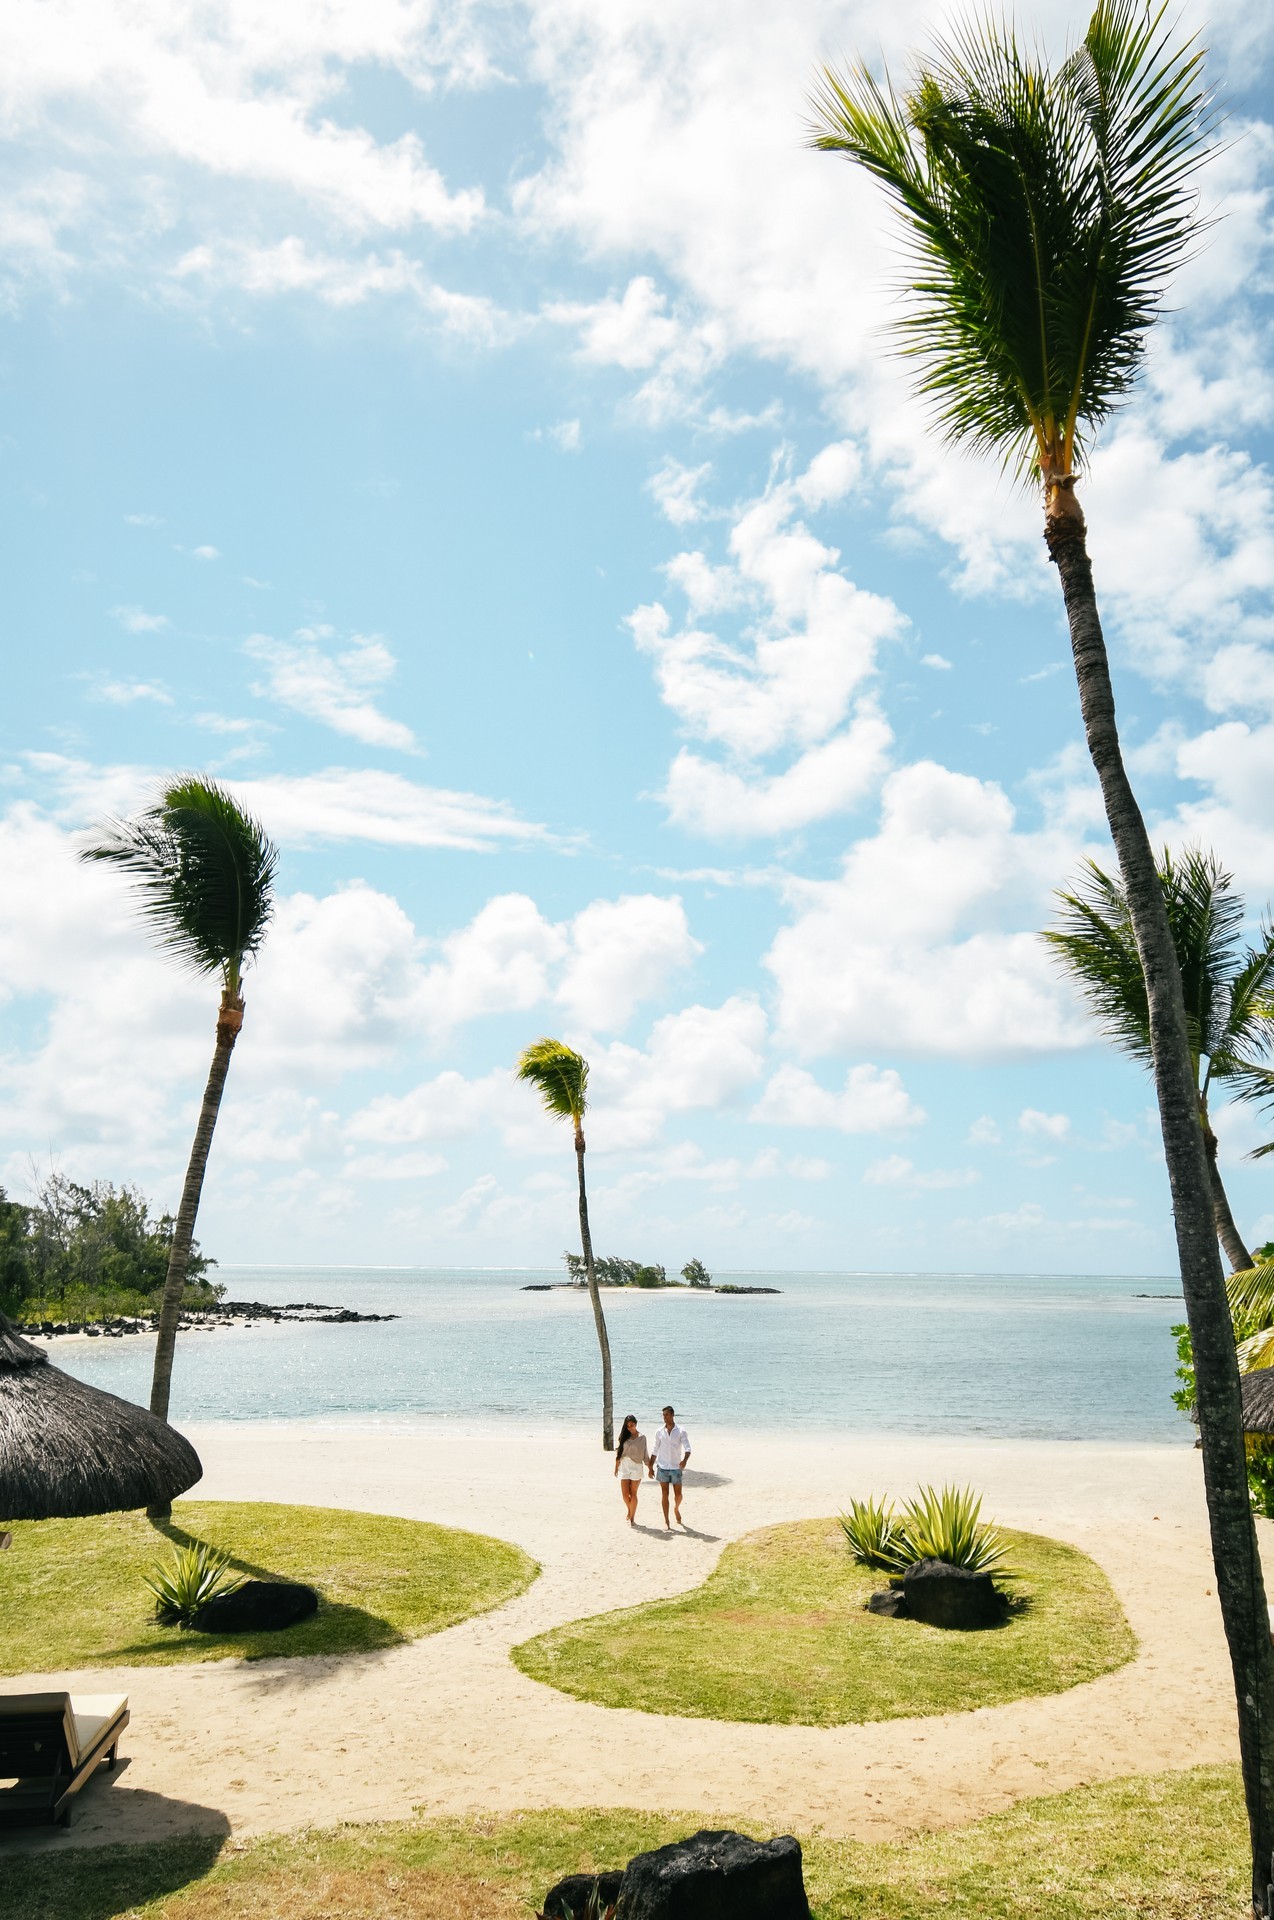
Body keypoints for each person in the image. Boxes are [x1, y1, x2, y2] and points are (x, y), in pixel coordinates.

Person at [650, 1404, 691, 1529]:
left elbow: (688, 1448)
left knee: (678, 1495)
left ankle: (676, 1508)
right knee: (664, 1494)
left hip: (675, 1467)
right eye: (663, 1415)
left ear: (672, 1415)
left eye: (667, 1415)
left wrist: (684, 1460)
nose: (664, 1417)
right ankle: (666, 1521)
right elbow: (655, 1449)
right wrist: (650, 1466)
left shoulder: (681, 1431)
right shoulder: (659, 1432)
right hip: (662, 1467)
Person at [613, 1414, 652, 1526]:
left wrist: (650, 1468)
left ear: (636, 1424)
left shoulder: (642, 1438)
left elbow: (645, 1455)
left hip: (637, 1467)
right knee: (625, 1495)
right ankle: (630, 1510)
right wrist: (616, 1467)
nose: (630, 1428)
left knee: (633, 1493)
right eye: (628, 1426)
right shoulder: (624, 1437)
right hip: (624, 1466)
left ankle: (632, 1518)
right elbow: (619, 1453)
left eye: (632, 1425)